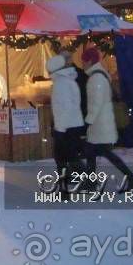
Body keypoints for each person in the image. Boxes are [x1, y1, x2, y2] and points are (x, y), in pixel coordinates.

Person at [80, 48, 133, 191]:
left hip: (100, 124)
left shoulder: (97, 78)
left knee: (102, 153)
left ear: (89, 61)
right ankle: (91, 183)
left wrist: (88, 121)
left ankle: (131, 177)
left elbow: (97, 103)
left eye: (83, 61)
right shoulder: (97, 76)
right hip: (99, 124)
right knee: (92, 153)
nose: (82, 64)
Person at [46, 54, 85, 196]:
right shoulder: (68, 80)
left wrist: (60, 129)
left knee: (61, 158)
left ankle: (65, 190)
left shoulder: (60, 84)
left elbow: (64, 107)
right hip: (73, 124)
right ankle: (74, 185)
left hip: (65, 127)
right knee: (70, 156)